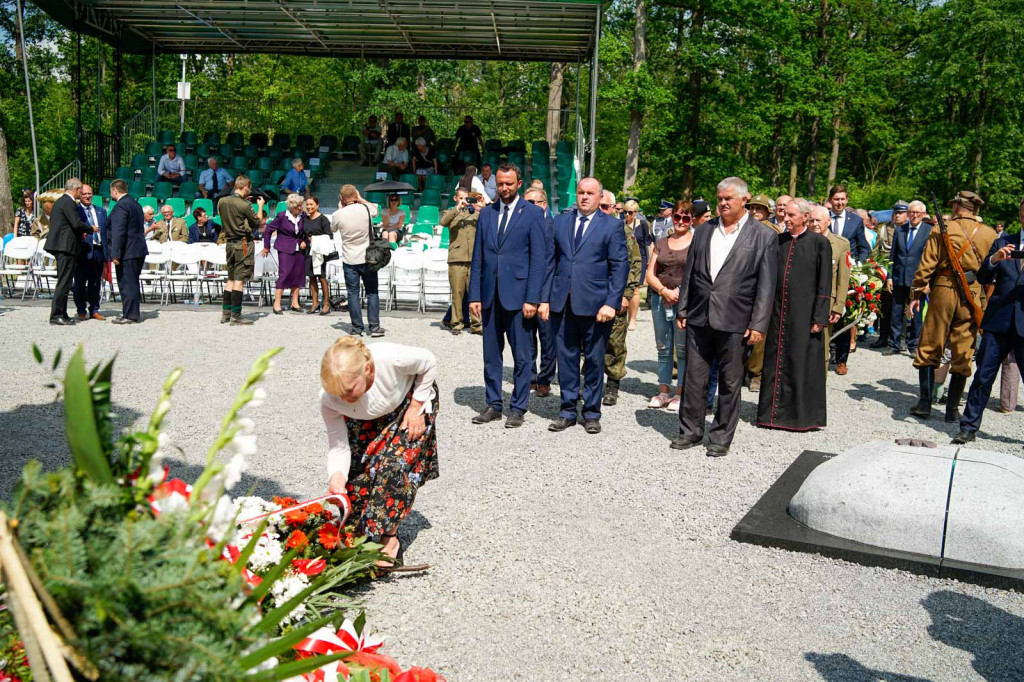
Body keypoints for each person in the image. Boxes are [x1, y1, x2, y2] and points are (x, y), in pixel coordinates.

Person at [672, 177, 778, 456]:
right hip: (699, 316)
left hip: (736, 320)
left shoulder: (763, 235)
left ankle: (720, 437)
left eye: (728, 198)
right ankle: (690, 431)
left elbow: (766, 287)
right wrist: (682, 308)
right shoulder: (704, 230)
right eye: (719, 199)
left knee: (730, 382)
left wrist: (758, 324)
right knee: (694, 377)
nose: (722, 203)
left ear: (745, 199)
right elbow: (690, 274)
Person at [320, 336, 438, 571]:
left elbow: (428, 361)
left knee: (391, 466)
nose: (344, 398)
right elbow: (338, 445)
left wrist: (416, 407)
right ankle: (361, 537)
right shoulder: (330, 399)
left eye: (349, 390)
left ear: (368, 369)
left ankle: (390, 539)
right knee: (356, 475)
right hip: (365, 416)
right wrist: (336, 476)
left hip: (407, 402)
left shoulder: (387, 357)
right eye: (339, 394)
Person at [545, 177, 628, 435]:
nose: (584, 197)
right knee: (566, 359)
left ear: (600, 197)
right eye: (581, 192)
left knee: (593, 360)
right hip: (563, 303)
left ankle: (591, 412)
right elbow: (550, 262)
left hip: (596, 306)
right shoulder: (560, 222)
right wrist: (544, 299)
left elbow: (619, 266)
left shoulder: (612, 226)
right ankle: (567, 410)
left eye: (590, 193)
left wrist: (611, 303)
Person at [468, 164, 547, 429]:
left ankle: (518, 407)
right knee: (491, 355)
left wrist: (533, 299)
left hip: (520, 298)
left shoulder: (533, 214)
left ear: (519, 183)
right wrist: (475, 295)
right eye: (500, 184)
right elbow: (478, 256)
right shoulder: (487, 214)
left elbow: (539, 260)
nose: (504, 188)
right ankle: (493, 404)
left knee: (522, 356)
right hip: (490, 296)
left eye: (509, 184)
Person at [909, 190, 997, 420]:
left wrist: (916, 291)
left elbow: (927, 265)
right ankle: (952, 410)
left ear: (957, 207)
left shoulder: (942, 228)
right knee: (963, 350)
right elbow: (992, 272)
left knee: (930, 345)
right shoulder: (989, 234)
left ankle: (925, 404)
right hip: (973, 294)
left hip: (944, 290)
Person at [756, 198, 832, 430]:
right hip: (778, 311)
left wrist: (819, 317)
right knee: (774, 360)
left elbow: (824, 282)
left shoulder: (819, 243)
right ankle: (771, 416)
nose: (785, 219)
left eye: (791, 216)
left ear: (805, 217)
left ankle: (799, 417)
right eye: (785, 215)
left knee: (801, 362)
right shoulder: (778, 241)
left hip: (805, 313)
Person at [952, 204, 1024, 443]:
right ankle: (968, 428)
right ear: (1019, 215)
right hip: (998, 322)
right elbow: (983, 277)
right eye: (1023, 213)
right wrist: (994, 259)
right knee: (983, 376)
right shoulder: (1004, 242)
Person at [646, 200, 694, 409]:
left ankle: (680, 393)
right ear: (672, 217)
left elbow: (698, 274)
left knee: (683, 349)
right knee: (663, 347)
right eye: (677, 217)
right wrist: (664, 291)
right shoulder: (662, 242)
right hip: (660, 300)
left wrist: (679, 293)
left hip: (686, 302)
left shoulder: (697, 242)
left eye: (686, 217)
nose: (681, 221)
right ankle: (663, 391)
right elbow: (650, 273)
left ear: (691, 219)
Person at [602, 195, 643, 407]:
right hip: (592, 297)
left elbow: (634, 265)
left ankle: (612, 383)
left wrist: (627, 295)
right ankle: (591, 380)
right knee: (587, 342)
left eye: (606, 207)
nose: (603, 210)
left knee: (615, 342)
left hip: (616, 296)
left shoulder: (625, 233)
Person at [743, 195, 785, 391]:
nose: (754, 212)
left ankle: (756, 373)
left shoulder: (774, 232)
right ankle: (737, 370)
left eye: (759, 209)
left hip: (764, 288)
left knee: (759, 333)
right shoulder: (740, 228)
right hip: (742, 288)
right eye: (752, 208)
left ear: (769, 212)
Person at [332, 184, 384, 337]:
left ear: (341, 197)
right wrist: (360, 198)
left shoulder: (337, 214)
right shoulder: (366, 209)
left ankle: (357, 328)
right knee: (372, 292)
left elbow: (333, 229)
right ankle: (374, 327)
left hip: (349, 258)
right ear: (355, 195)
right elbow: (376, 209)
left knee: (353, 294)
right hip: (368, 257)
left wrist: (341, 208)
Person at [884, 200, 932, 357]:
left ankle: (914, 345)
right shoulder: (900, 230)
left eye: (918, 213)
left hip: (918, 279)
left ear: (923, 214)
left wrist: (927, 282)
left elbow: (931, 259)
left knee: (917, 314)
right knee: (896, 312)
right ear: (908, 214)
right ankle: (894, 344)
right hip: (898, 277)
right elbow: (893, 255)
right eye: (912, 212)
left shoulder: (929, 231)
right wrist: (890, 276)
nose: (915, 215)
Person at [45, 178, 93, 325]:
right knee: (64, 282)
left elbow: (66, 225)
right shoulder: (68, 202)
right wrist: (91, 229)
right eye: (80, 190)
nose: (81, 193)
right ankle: (56, 315)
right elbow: (75, 223)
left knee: (65, 281)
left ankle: (63, 313)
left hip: (63, 245)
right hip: (64, 247)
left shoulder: (61, 201)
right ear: (76, 189)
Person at [809, 205, 851, 372]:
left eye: (818, 220)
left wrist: (838, 306)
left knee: (821, 347)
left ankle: (818, 389)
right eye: (811, 220)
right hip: (804, 302)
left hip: (826, 304)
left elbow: (843, 279)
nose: (814, 224)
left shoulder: (840, 245)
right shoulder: (803, 241)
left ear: (828, 221)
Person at [218, 174, 265, 325]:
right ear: (246, 187)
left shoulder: (222, 201)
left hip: (229, 243)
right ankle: (236, 315)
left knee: (230, 279)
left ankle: (226, 313)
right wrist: (260, 206)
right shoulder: (245, 205)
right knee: (239, 280)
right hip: (243, 244)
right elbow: (257, 222)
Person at [525, 186, 557, 395]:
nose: (526, 207)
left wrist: (543, 298)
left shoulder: (553, 227)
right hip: (525, 294)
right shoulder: (521, 226)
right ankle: (530, 377)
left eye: (531, 203)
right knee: (526, 340)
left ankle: (545, 378)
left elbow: (550, 265)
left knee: (547, 340)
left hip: (546, 294)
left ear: (543, 204)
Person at [440, 188, 482, 335]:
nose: (465, 201)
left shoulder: (476, 213)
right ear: (455, 198)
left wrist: (480, 207)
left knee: (475, 293)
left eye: (467, 198)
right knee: (457, 294)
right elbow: (443, 222)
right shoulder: (450, 213)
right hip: (457, 258)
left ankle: (476, 325)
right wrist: (458, 208)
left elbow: (488, 222)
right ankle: (456, 323)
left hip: (474, 259)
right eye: (462, 198)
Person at [107, 179, 147, 325]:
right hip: (138, 248)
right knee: (132, 281)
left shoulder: (121, 206)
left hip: (127, 250)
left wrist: (115, 252)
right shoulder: (136, 204)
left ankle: (130, 314)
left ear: (115, 191)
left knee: (126, 282)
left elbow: (119, 231)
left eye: (111, 191)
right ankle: (131, 312)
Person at [870, 201, 909, 349]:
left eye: (901, 213)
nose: (897, 215)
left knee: (902, 307)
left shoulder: (908, 230)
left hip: (902, 272)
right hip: (885, 271)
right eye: (896, 213)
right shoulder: (884, 229)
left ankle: (900, 338)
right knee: (884, 306)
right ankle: (884, 336)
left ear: (907, 215)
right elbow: (876, 251)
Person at [262, 193, 307, 315]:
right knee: (285, 274)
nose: (301, 207)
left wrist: (304, 241)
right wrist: (266, 246)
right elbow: (268, 230)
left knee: (298, 274)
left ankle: (295, 302)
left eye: (301, 205)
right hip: (285, 247)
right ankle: (277, 303)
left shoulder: (303, 216)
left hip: (299, 248)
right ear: (292, 207)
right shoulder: (282, 216)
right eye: (298, 206)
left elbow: (307, 232)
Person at [73, 184, 109, 321]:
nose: (87, 196)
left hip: (98, 251)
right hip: (82, 251)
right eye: (84, 194)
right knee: (80, 282)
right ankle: (81, 310)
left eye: (89, 193)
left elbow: (105, 234)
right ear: (79, 195)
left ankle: (94, 309)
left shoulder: (101, 211)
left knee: (96, 282)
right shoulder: (75, 211)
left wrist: (106, 254)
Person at [623, 200, 652, 331]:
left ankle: (633, 319)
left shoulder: (643, 225)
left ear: (636, 212)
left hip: (639, 260)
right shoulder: (620, 225)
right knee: (625, 288)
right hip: (625, 260)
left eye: (630, 212)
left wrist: (650, 263)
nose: (627, 215)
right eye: (625, 212)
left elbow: (648, 244)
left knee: (635, 289)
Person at [304, 196, 334, 316]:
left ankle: (326, 303)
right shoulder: (305, 219)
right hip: (308, 251)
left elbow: (329, 236)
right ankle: (315, 302)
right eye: (307, 205)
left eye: (311, 204)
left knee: (321, 277)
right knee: (311, 277)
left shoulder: (323, 219)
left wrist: (315, 239)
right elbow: (302, 233)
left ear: (317, 205)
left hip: (320, 252)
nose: (309, 207)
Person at [827, 185, 871, 262]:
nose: (840, 203)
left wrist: (858, 265)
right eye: (836, 199)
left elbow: (863, 247)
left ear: (847, 200)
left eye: (842, 199)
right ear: (830, 200)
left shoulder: (856, 221)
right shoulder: (823, 218)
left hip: (849, 267)